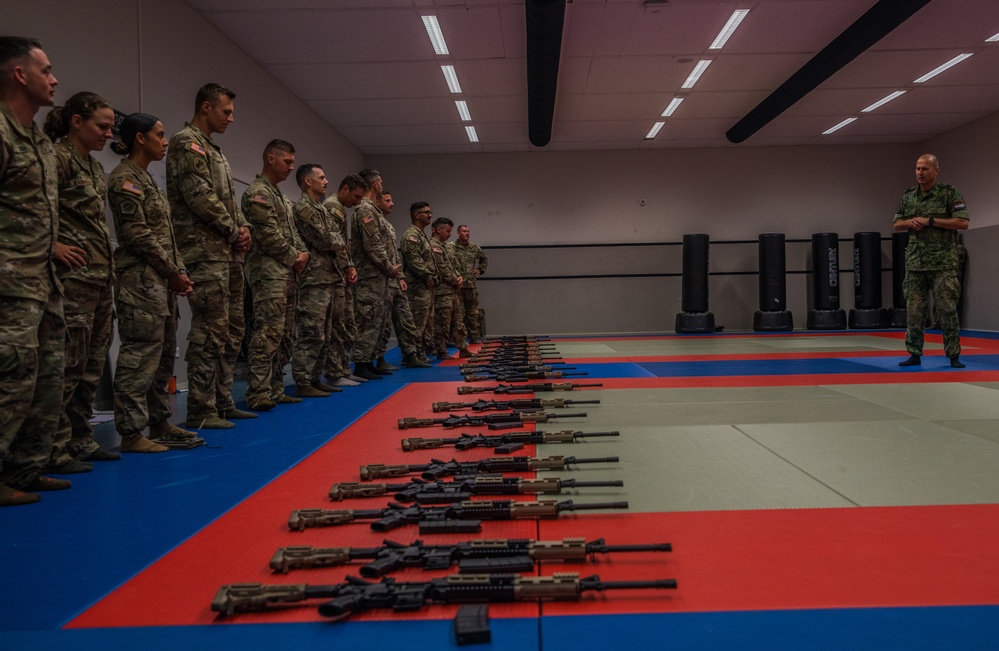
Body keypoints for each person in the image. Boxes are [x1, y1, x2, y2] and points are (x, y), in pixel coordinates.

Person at [0, 36, 68, 505]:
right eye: (46, 70)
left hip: (41, 281)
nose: (54, 78)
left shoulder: (39, 139)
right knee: (9, 377)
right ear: (20, 74)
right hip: (9, 283)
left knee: (43, 377)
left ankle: (24, 469)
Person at [107, 113, 197, 452]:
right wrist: (173, 270)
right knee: (139, 355)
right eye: (159, 135)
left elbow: (165, 236)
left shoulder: (147, 180)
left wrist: (177, 270)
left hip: (159, 280)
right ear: (139, 138)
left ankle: (160, 422)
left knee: (163, 356)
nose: (164, 141)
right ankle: (131, 433)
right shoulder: (124, 179)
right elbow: (137, 235)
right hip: (139, 281)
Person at [166, 83, 253, 429]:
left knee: (232, 329)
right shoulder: (186, 143)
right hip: (204, 252)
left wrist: (243, 226)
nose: (231, 118)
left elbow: (229, 199)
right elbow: (199, 197)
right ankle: (201, 409)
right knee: (209, 331)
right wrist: (234, 230)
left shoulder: (215, 151)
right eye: (225, 111)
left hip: (227, 253)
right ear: (205, 107)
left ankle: (222, 399)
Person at [43, 92, 118, 472]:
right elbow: (35, 208)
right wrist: (52, 245)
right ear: (77, 122)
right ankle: (53, 450)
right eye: (101, 126)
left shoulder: (92, 167)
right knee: (67, 366)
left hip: (99, 278)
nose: (108, 133)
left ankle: (80, 439)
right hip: (72, 280)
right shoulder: (56, 158)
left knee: (91, 366)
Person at [241, 140, 309, 410]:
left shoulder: (280, 195)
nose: (291, 167)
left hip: (287, 274)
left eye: (293, 162)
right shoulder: (259, 193)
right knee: (268, 334)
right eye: (287, 162)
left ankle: (276, 388)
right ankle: (258, 392)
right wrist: (295, 257)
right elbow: (267, 235)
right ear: (270, 159)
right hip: (268, 273)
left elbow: (294, 235)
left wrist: (303, 254)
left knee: (284, 336)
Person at [893, 154, 969, 368]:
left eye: (925, 169)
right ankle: (914, 353)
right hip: (916, 263)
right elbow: (896, 223)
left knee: (947, 309)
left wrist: (932, 221)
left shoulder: (948, 193)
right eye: (917, 168)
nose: (920, 172)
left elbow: (963, 222)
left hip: (942, 263)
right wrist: (911, 222)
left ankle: (953, 355)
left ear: (936, 170)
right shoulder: (908, 196)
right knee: (915, 311)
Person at [291, 164, 346, 395]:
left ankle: (315, 377)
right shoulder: (304, 208)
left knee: (324, 332)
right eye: (321, 177)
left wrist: (336, 240)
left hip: (328, 276)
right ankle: (303, 381)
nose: (326, 181)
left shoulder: (320, 209)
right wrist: (337, 241)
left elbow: (335, 236)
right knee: (311, 332)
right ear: (307, 181)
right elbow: (326, 239)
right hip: (313, 279)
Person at [349, 168, 401, 380]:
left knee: (377, 322)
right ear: (376, 184)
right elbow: (373, 245)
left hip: (379, 277)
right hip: (370, 277)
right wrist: (389, 267)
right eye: (380, 182)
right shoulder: (366, 210)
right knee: (368, 321)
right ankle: (361, 365)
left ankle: (368, 362)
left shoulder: (373, 211)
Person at [374, 189, 430, 369]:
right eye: (387, 200)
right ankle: (378, 360)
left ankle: (411, 354)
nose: (392, 204)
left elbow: (395, 256)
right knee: (382, 324)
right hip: (382, 279)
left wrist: (401, 276)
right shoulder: (374, 223)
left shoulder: (388, 225)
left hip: (396, 279)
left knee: (406, 321)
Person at [322, 174, 364, 387]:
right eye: (356, 196)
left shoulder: (339, 207)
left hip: (340, 274)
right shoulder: (332, 207)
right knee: (337, 326)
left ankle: (343, 369)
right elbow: (335, 242)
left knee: (346, 324)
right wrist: (347, 267)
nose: (357, 202)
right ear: (345, 188)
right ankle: (334, 373)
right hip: (334, 273)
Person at [400, 201, 439, 364]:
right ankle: (411, 355)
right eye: (427, 212)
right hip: (417, 287)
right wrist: (427, 277)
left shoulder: (421, 234)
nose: (430, 215)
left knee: (426, 322)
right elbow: (414, 261)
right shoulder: (412, 235)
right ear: (417, 215)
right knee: (416, 322)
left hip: (425, 287)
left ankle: (420, 354)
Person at [430, 216, 469, 359]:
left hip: (452, 290)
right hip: (442, 291)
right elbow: (441, 268)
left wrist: (459, 277)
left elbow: (453, 265)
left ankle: (463, 347)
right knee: (442, 323)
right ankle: (441, 351)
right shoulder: (433, 246)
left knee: (458, 320)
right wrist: (454, 280)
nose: (449, 234)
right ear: (438, 230)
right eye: (447, 231)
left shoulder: (447, 246)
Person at [450, 224, 488, 343]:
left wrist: (480, 270)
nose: (467, 233)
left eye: (468, 231)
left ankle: (473, 337)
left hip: (471, 285)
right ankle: (456, 338)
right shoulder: (451, 247)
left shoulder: (474, 248)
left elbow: (484, 258)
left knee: (472, 312)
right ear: (458, 233)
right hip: (457, 286)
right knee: (456, 313)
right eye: (464, 231)